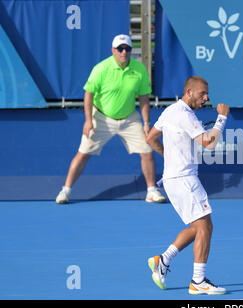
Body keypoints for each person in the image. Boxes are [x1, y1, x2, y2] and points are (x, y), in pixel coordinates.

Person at [56, 34, 166, 204]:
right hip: (101, 117)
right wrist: (88, 120)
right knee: (83, 153)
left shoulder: (139, 69)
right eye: (120, 49)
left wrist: (146, 123)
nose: (124, 52)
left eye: (127, 49)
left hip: (130, 118)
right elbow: (88, 94)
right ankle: (66, 190)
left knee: (147, 151)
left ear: (131, 50)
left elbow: (144, 98)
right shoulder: (101, 68)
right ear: (113, 51)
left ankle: (152, 190)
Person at [145, 76, 229, 295]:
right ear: (189, 92)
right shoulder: (185, 115)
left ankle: (163, 260)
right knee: (205, 227)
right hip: (184, 179)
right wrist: (221, 118)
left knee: (197, 227)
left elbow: (151, 139)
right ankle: (198, 281)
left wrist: (169, 158)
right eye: (202, 93)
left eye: (207, 93)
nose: (206, 98)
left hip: (173, 179)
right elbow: (209, 143)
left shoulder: (169, 111)